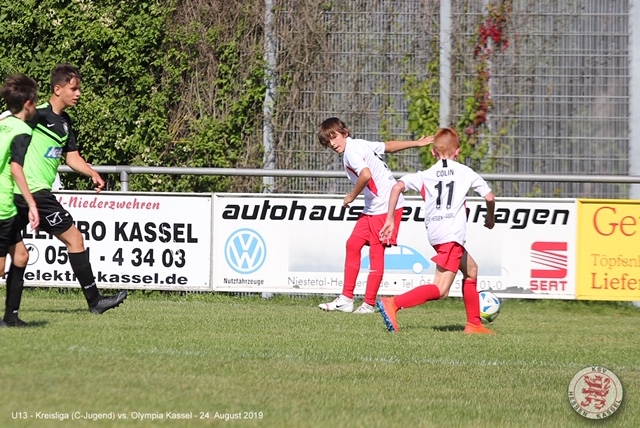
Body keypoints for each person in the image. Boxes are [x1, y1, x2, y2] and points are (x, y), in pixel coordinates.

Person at [12, 63, 127, 314]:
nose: (78, 94)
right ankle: (95, 301)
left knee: (15, 255)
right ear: (58, 89)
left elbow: (72, 158)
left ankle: (11, 316)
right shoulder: (38, 114)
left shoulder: (65, 122)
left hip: (26, 193)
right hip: (34, 192)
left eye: (78, 89)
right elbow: (11, 122)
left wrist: (92, 173)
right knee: (75, 238)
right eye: (73, 89)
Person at [376, 127, 496, 334]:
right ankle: (393, 303)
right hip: (452, 235)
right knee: (441, 290)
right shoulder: (465, 172)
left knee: (471, 270)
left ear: (433, 152)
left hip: (436, 233)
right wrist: (490, 217)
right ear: (457, 152)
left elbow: (397, 187)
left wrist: (390, 220)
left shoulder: (425, 175)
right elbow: (490, 197)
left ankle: (474, 324)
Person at [317, 117, 432, 314]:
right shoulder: (359, 144)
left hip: (386, 207)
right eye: (328, 141)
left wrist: (351, 196)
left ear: (344, 132)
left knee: (376, 253)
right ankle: (346, 299)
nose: (332, 143)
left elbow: (366, 174)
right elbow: (388, 147)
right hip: (373, 207)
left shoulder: (352, 152)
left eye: (334, 137)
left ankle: (368, 304)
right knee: (353, 244)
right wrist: (416, 143)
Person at [0, 74, 41, 327]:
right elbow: (16, 168)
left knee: (21, 256)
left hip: (6, 205)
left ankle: (11, 317)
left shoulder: (3, 123)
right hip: (2, 204)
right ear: (28, 104)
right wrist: (32, 204)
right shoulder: (23, 130)